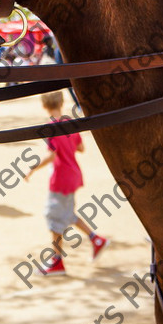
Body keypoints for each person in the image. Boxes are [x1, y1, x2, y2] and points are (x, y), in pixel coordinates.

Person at [24, 91, 109, 275]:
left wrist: (32, 169)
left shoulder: (51, 127)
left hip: (61, 177)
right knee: (67, 213)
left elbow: (52, 154)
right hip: (73, 174)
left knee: (54, 217)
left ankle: (57, 260)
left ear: (44, 105)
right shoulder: (69, 123)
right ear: (61, 102)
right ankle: (96, 239)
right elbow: (81, 148)